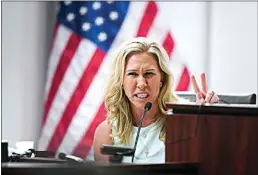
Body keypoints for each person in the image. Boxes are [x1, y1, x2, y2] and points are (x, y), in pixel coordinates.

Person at [93, 37, 219, 163]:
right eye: (133, 74)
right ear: (121, 80)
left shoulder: (185, 121)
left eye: (149, 73)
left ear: (161, 79)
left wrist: (208, 120)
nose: (142, 83)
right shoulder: (106, 132)